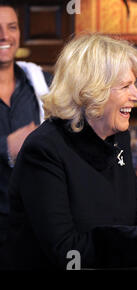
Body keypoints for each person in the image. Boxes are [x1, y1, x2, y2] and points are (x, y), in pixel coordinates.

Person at [0, 34, 137, 269]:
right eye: (126, 86)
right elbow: (66, 251)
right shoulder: (43, 149)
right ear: (91, 92)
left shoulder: (116, 136)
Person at [0, 1, 52, 245]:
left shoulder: (41, 82)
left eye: (12, 27)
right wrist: (5, 147)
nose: (4, 36)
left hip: (35, 223)